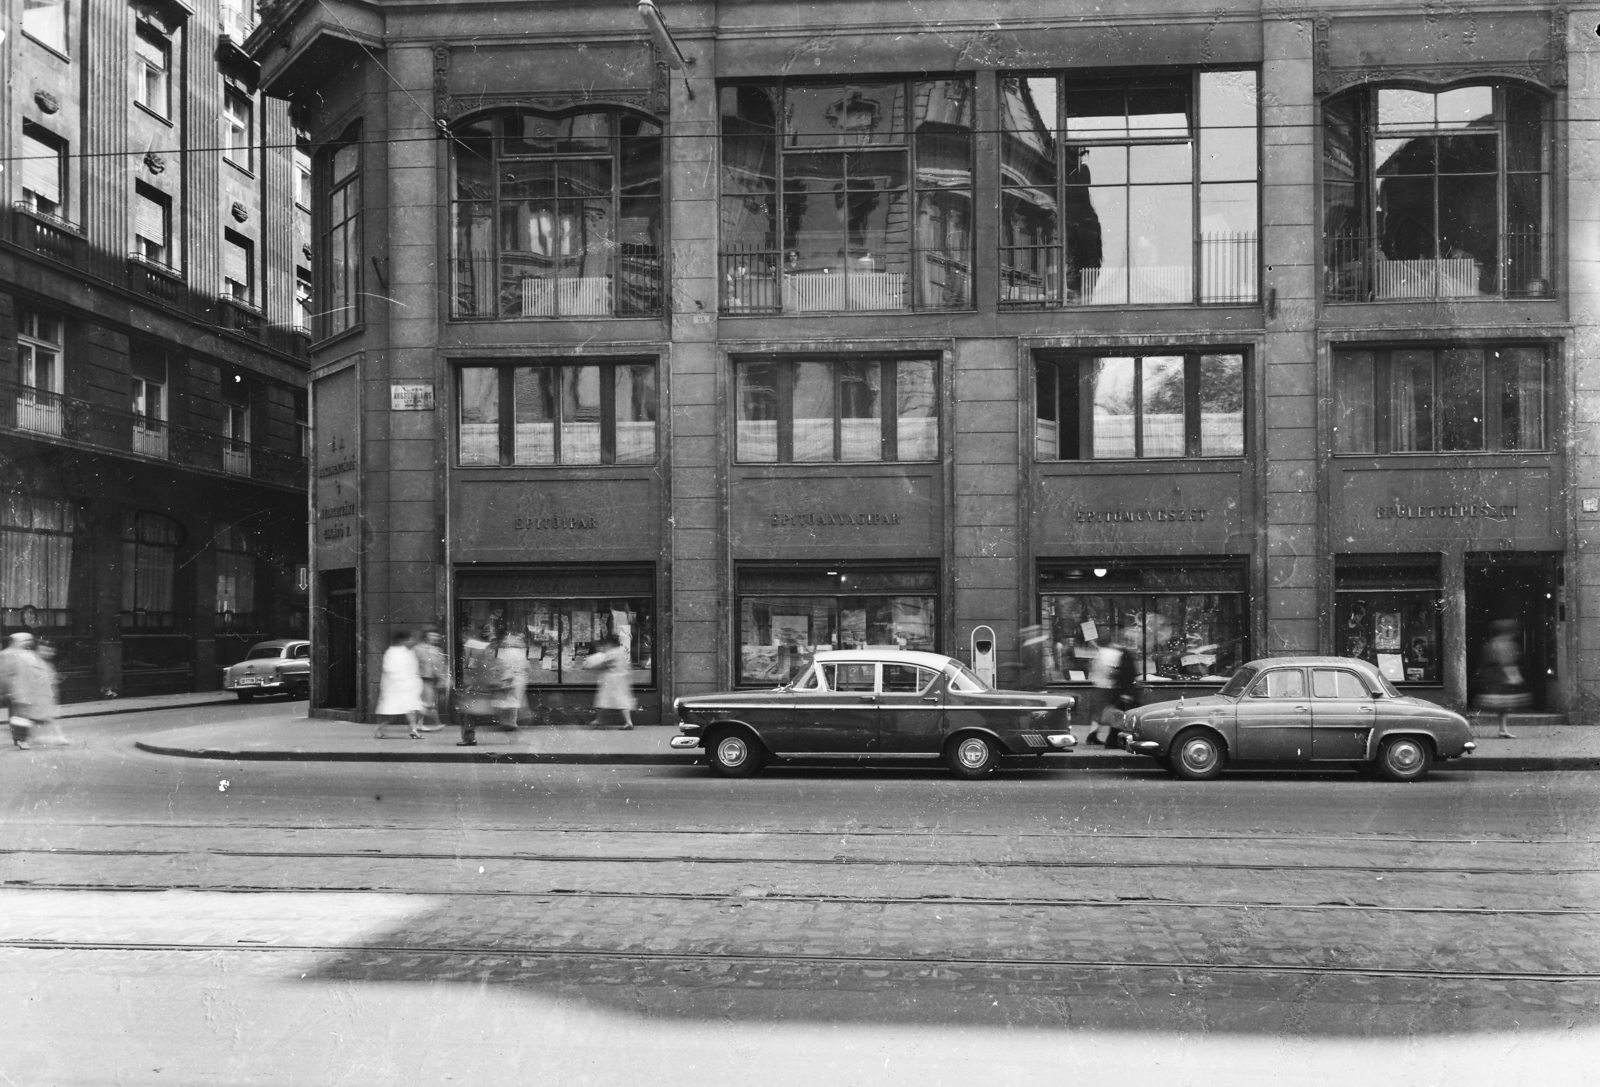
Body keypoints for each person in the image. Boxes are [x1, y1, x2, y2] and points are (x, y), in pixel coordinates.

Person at [4, 634, 63, 750]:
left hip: (28, 691)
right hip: (22, 690)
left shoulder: (30, 656)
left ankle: (23, 738)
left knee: (25, 716)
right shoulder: (18, 656)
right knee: (22, 717)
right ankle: (21, 739)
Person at [1475, 619, 1531, 739]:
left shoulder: (1492, 643)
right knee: (1504, 705)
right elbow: (1506, 662)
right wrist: (1514, 676)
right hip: (1502, 676)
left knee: (1503, 706)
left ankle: (1502, 729)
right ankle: (1502, 729)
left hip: (1494, 676)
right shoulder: (1506, 644)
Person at [373, 630, 424, 739]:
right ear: (402, 640)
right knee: (391, 713)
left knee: (411, 709)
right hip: (394, 688)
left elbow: (413, 669)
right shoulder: (391, 653)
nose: (410, 641)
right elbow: (390, 670)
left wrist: (415, 682)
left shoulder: (408, 652)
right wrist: (402, 681)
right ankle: (379, 729)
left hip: (408, 687)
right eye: (408, 639)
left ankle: (413, 730)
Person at [1089, 634, 1138, 747]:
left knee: (1102, 712)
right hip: (1108, 687)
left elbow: (1094, 668)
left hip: (1098, 684)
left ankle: (1094, 735)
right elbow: (1113, 671)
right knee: (1112, 713)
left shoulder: (1100, 652)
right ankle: (1108, 740)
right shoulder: (1112, 653)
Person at [457, 625, 503, 747]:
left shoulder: (472, 647)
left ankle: (469, 738)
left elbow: (470, 666)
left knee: (467, 713)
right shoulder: (486, 648)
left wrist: (468, 684)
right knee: (472, 712)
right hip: (483, 684)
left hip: (475, 686)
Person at [584, 634, 635, 729]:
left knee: (604, 699)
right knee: (620, 699)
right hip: (621, 678)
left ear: (611, 643)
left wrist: (589, 665)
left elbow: (603, 663)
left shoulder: (612, 653)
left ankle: (600, 720)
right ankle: (601, 720)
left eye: (607, 643)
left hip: (612, 679)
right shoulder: (622, 652)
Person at [415, 631, 448, 732]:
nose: (434, 638)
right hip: (421, 678)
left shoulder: (437, 650)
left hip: (432, 679)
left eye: (436, 636)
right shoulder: (418, 648)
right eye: (431, 635)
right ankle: (436, 723)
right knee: (428, 702)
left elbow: (441, 665)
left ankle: (419, 723)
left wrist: (443, 678)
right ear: (426, 636)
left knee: (424, 702)